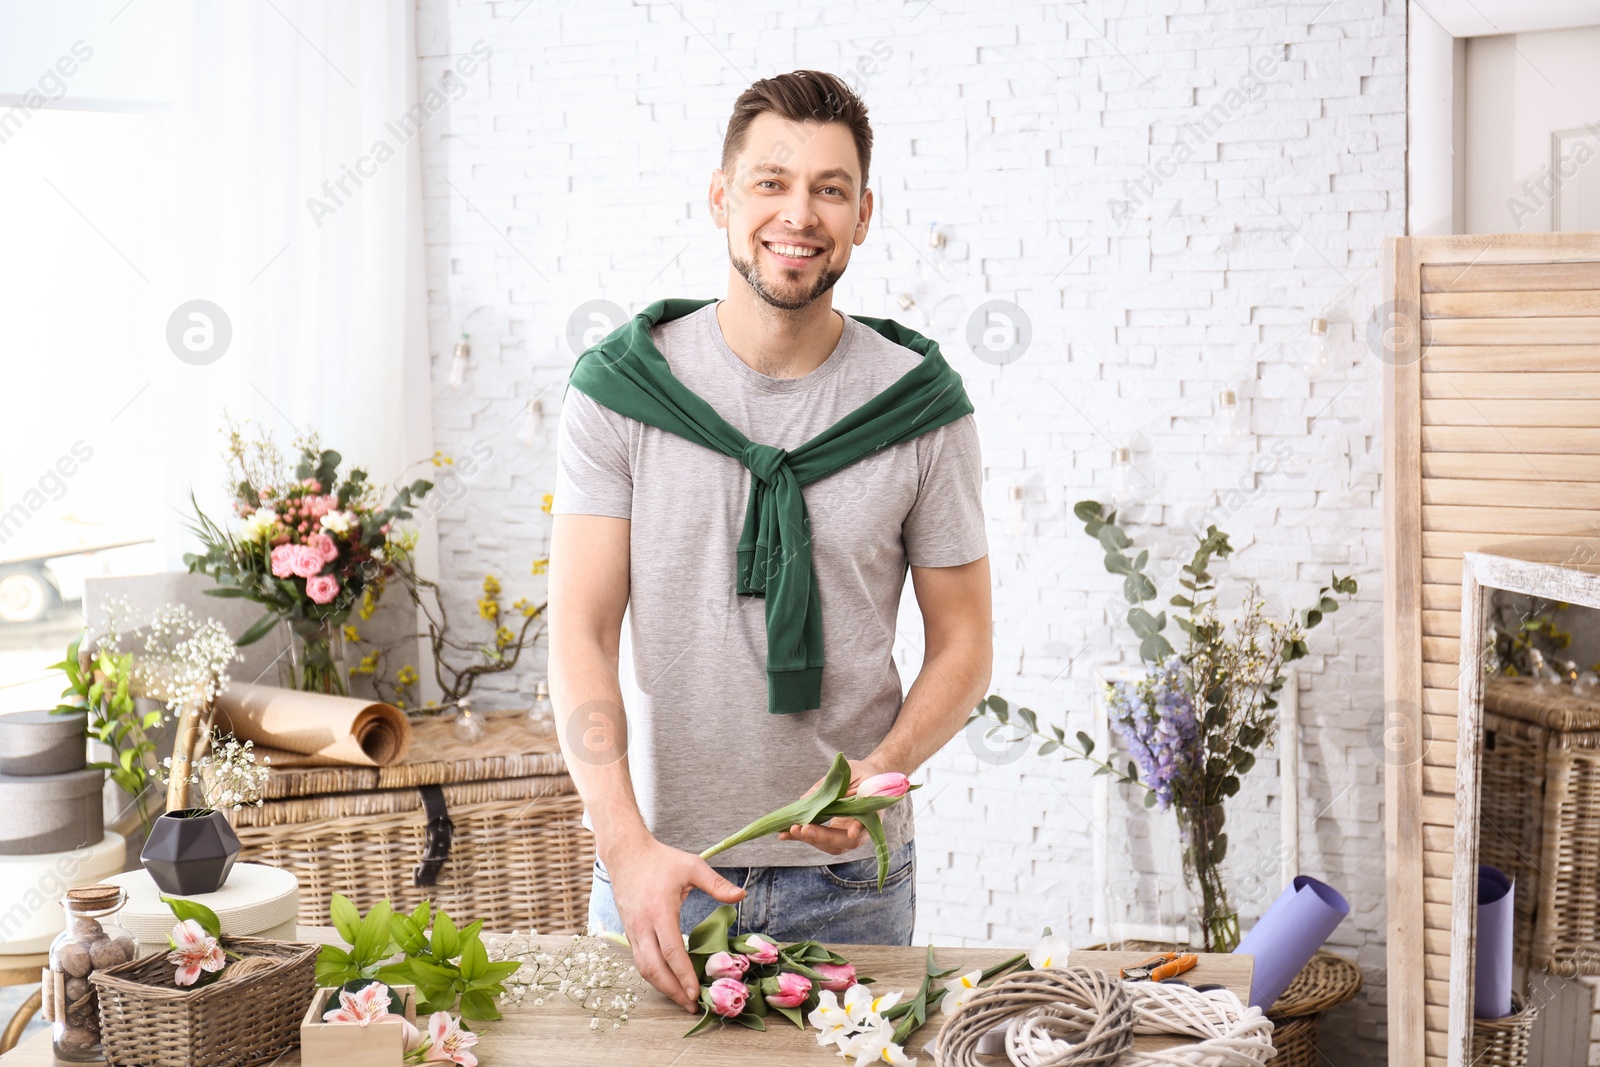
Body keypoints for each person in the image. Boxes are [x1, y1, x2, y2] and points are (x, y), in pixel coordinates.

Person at [547, 69, 992, 1015]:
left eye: (830, 188)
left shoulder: (920, 407)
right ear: (721, 196)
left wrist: (883, 770)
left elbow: (965, 646)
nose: (801, 212)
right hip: (660, 868)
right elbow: (578, 635)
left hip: (852, 887)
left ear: (863, 213)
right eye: (771, 181)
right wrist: (623, 847)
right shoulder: (620, 390)